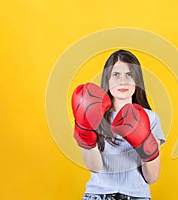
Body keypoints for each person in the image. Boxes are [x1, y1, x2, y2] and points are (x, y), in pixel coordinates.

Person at [71, 49, 166, 200]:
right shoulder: (94, 114)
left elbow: (152, 177)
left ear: (137, 80)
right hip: (98, 195)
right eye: (116, 75)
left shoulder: (151, 118)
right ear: (107, 80)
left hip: (137, 196)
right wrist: (84, 129)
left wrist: (145, 143)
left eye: (129, 75)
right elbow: (94, 167)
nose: (123, 81)